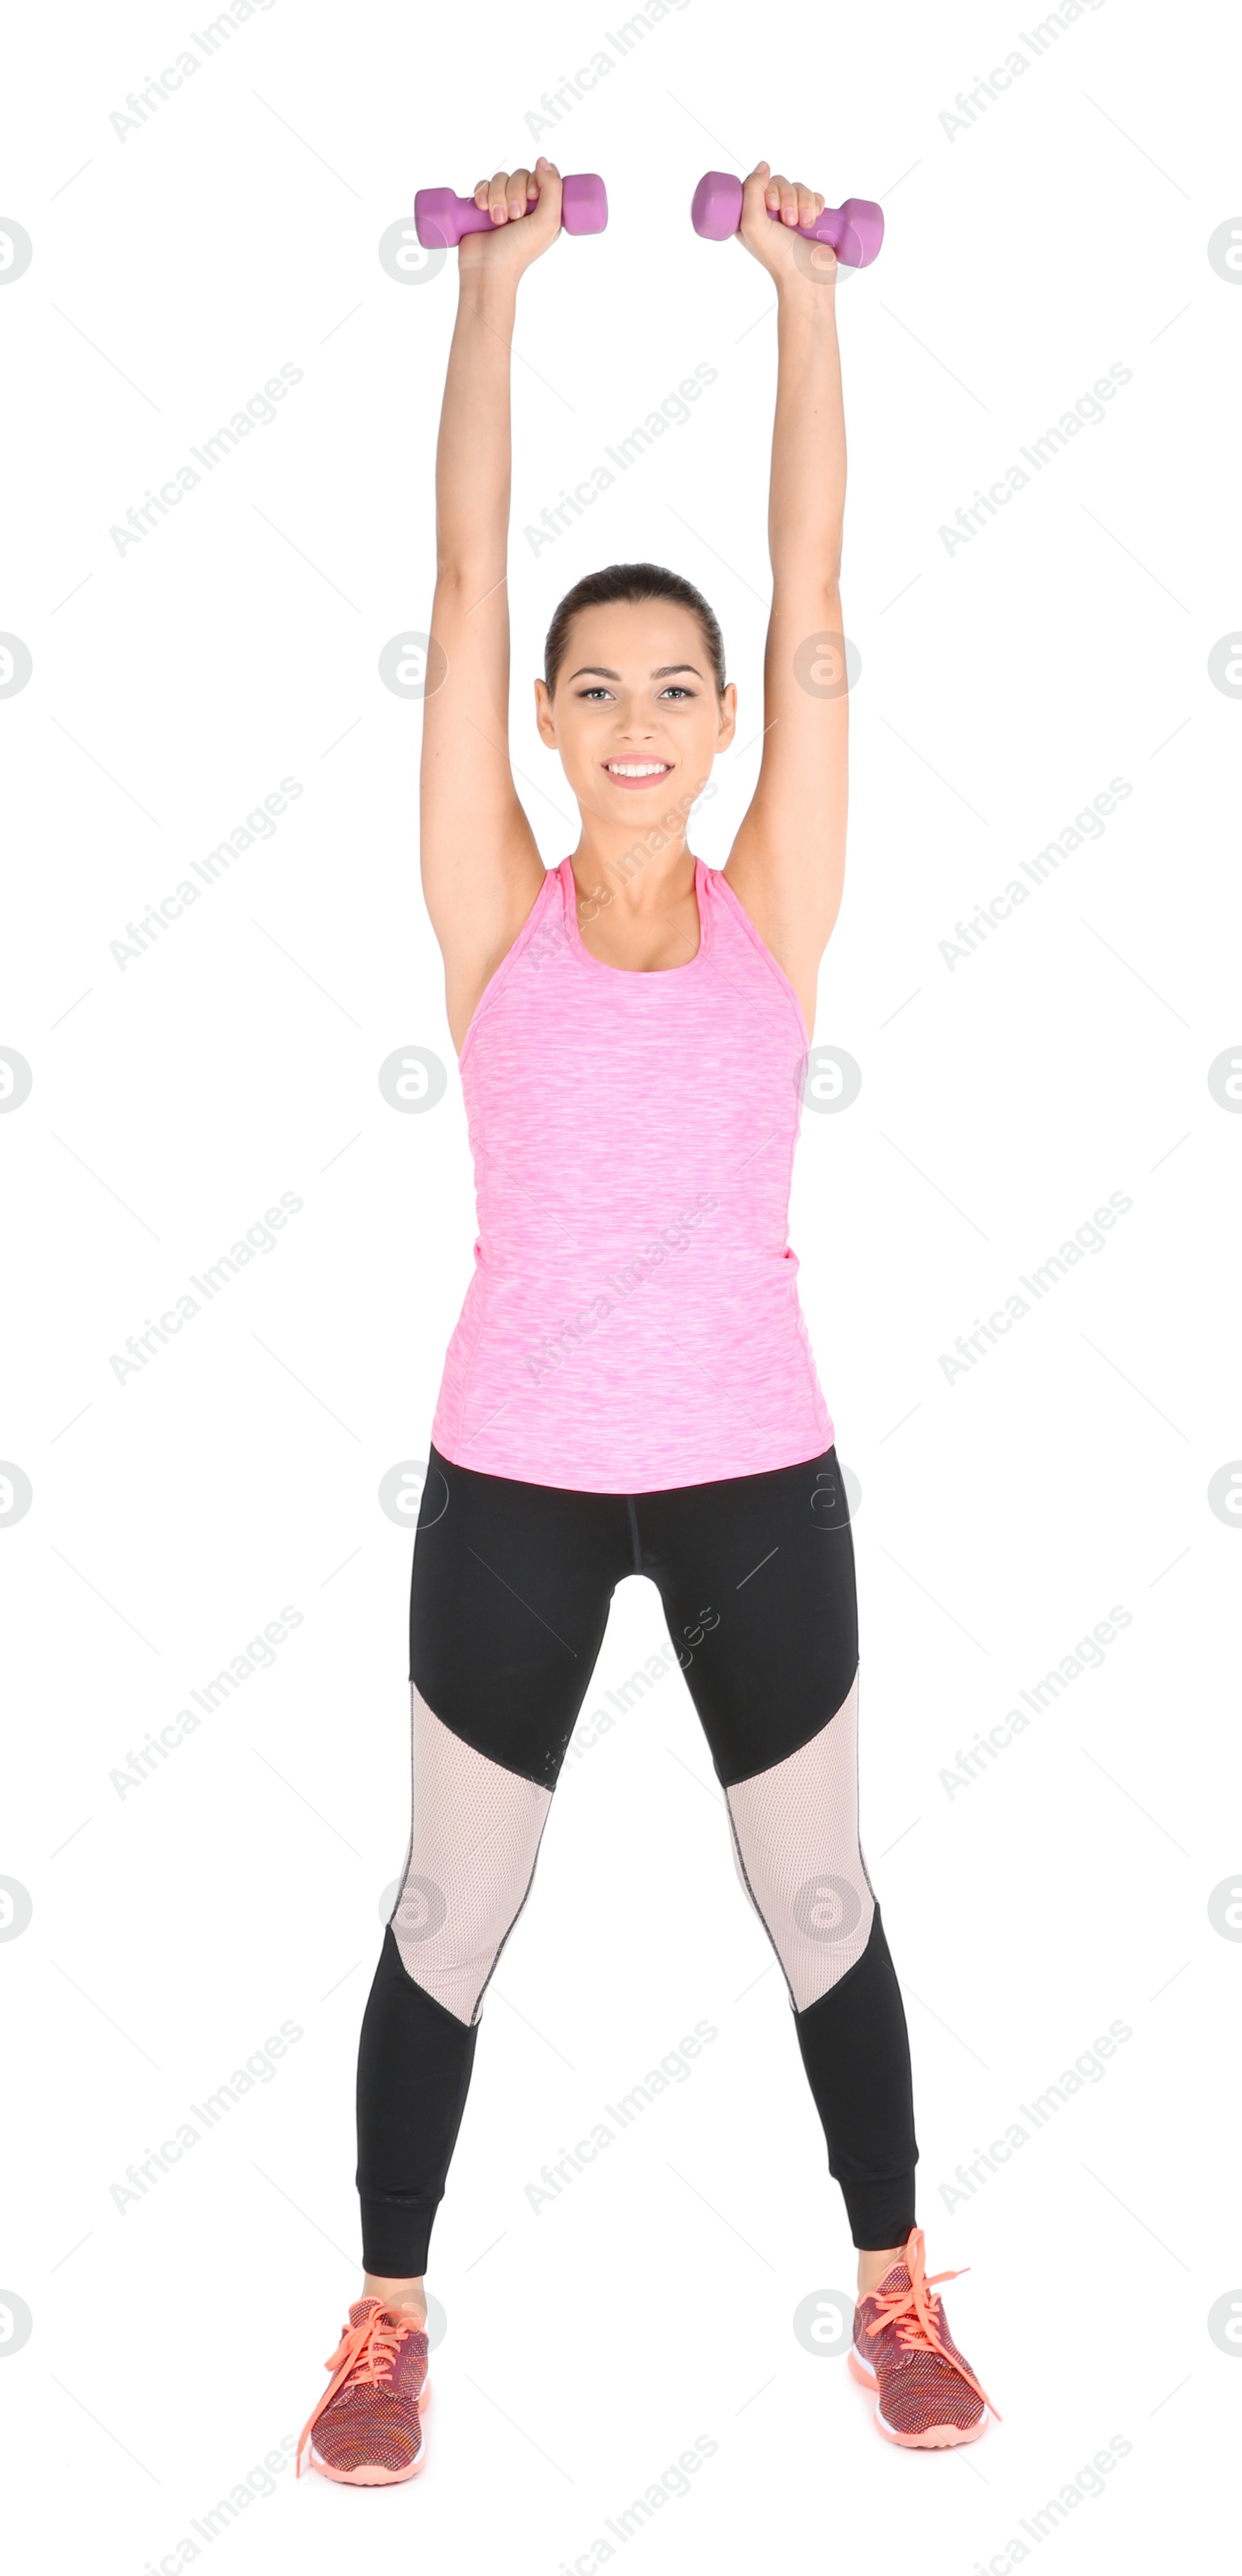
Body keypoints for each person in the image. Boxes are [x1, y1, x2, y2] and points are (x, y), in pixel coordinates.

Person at [298, 154, 996, 2485]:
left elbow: (816, 606)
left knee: (819, 1894)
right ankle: (385, 2322)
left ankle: (894, 2285)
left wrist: (804, 302)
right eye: (593, 689)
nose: (631, 716)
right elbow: (465, 576)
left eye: (668, 692)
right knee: (446, 1913)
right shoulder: (487, 902)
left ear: (711, 732)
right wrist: (491, 294)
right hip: (506, 1472)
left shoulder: (772, 908)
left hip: (751, 1473)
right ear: (551, 720)